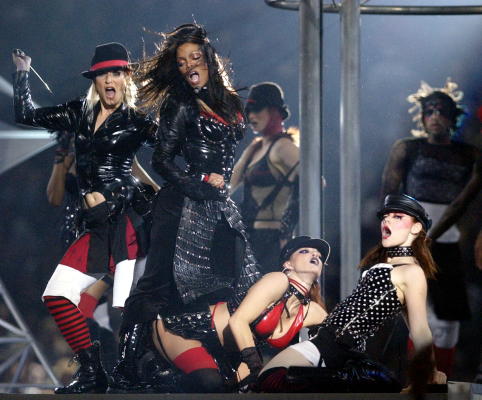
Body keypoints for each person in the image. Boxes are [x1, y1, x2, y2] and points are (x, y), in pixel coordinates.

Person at [115, 23, 260, 392]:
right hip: (180, 205)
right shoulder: (179, 103)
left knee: (233, 279)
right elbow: (162, 160)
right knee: (156, 286)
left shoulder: (229, 100)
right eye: (181, 62)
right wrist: (196, 183)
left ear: (209, 59)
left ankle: (220, 363)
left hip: (218, 205)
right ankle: (127, 367)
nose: (188, 66)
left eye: (194, 57)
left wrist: (218, 187)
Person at [12, 42, 158, 394]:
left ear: (126, 78)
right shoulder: (79, 113)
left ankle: (136, 376)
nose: (110, 79)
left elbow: (171, 149)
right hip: (94, 224)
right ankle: (94, 372)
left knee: (123, 308)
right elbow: (26, 114)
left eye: (117, 72)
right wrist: (21, 73)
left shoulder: (138, 121)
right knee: (57, 295)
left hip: (126, 220)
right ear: (95, 80)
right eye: (103, 73)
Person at [257, 194, 447, 393]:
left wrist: (429, 374)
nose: (387, 220)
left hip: (337, 354)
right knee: (268, 380)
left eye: (397, 217)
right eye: (385, 217)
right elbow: (413, 325)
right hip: (324, 348)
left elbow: (420, 330)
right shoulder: (386, 268)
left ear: (416, 228)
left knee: (272, 383)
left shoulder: (412, 272)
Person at [110, 235, 329, 393]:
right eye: (305, 251)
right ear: (287, 264)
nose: (314, 255)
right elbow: (238, 321)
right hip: (189, 330)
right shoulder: (277, 280)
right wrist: (256, 368)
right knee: (209, 383)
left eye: (319, 255)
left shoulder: (312, 310)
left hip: (232, 351)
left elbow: (336, 335)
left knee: (252, 392)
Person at [381, 80, 482, 377]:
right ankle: (420, 380)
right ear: (422, 116)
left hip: (447, 240)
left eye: (442, 111)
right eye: (430, 110)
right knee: (417, 311)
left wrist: (433, 236)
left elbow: (462, 204)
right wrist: (392, 238)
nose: (435, 116)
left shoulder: (470, 155)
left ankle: (443, 378)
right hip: (410, 236)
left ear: (453, 117)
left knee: (448, 318)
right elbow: (388, 195)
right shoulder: (406, 149)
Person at [231, 82, 299, 274]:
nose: (251, 116)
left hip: (272, 241)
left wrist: (287, 227)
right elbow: (227, 187)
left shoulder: (284, 148)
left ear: (275, 111)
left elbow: (314, 184)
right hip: (251, 240)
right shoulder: (256, 148)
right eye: (249, 110)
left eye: (257, 109)